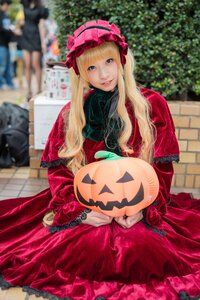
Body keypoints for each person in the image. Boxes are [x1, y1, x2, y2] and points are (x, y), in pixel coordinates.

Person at [0, 20, 200, 300]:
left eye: (108, 61)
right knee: (85, 247)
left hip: (139, 203)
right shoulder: (73, 113)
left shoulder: (151, 105)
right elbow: (59, 174)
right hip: (88, 202)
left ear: (121, 58)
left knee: (142, 245)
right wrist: (79, 212)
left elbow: (161, 171)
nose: (103, 74)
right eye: (91, 67)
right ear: (81, 72)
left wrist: (145, 208)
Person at [20, 0, 49, 100]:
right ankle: (29, 91)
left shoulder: (41, 7)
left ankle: (39, 89)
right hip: (25, 35)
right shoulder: (24, 2)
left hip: (36, 36)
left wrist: (43, 43)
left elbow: (41, 26)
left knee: (35, 64)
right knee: (27, 64)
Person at [0, 0, 18, 90]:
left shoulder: (5, 15)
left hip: (6, 44)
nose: (9, 7)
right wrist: (11, 31)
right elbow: (3, 28)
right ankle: (1, 84)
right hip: (1, 45)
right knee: (1, 66)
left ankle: (9, 83)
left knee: (8, 65)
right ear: (3, 4)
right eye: (8, 5)